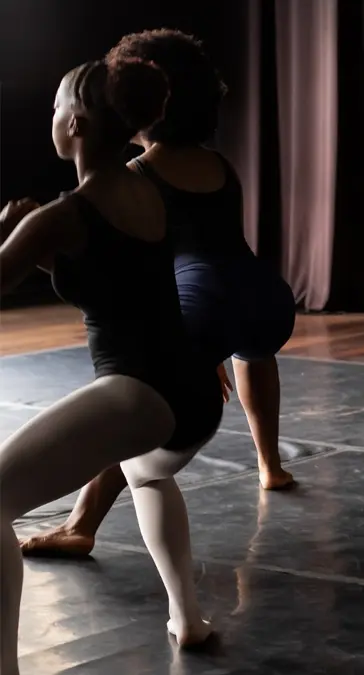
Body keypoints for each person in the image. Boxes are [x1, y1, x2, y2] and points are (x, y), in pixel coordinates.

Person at [19, 29, 298, 560]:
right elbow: (225, 263)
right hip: (266, 298)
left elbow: (127, 274)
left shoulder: (134, 176)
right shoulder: (219, 165)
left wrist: (191, 340)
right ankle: (271, 465)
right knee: (254, 352)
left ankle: (80, 524)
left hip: (200, 303)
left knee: (133, 405)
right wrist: (210, 338)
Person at [1, 58, 223, 672]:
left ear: (72, 123)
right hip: (196, 389)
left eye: (52, 109)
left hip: (139, 392)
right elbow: (113, 275)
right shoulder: (147, 186)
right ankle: (189, 618)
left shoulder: (63, 216)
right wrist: (35, 242)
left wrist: (9, 233)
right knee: (147, 474)